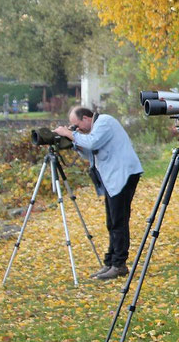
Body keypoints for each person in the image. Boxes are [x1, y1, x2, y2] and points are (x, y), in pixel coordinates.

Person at [55, 107, 143, 280]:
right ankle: (111, 262)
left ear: (87, 118)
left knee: (118, 221)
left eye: (77, 125)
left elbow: (92, 143)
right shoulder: (94, 129)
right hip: (114, 178)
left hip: (123, 175)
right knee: (111, 222)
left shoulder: (105, 122)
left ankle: (119, 265)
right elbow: (90, 153)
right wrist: (73, 143)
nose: (76, 129)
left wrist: (69, 133)